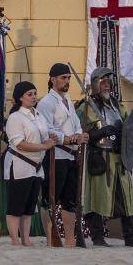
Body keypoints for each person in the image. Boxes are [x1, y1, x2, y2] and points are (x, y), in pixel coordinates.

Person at [77, 67, 133, 248]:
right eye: (103, 82)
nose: (106, 86)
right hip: (99, 157)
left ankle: (130, 237)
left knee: (128, 197)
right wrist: (100, 132)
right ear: (95, 84)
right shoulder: (85, 106)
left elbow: (129, 124)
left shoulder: (116, 105)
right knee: (96, 198)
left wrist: (124, 127)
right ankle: (98, 237)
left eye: (108, 82)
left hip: (119, 157)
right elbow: (80, 132)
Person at [36, 63, 87, 248]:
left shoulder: (67, 100)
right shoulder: (46, 103)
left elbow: (75, 123)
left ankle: (70, 239)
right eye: (63, 77)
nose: (67, 81)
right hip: (55, 156)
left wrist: (80, 135)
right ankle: (51, 237)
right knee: (50, 200)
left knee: (70, 201)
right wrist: (67, 139)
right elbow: (46, 130)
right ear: (53, 79)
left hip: (72, 156)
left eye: (68, 78)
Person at [4, 81, 56, 247]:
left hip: (37, 166)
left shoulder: (38, 115)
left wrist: (49, 141)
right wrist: (43, 146)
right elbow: (19, 143)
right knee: (16, 205)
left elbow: (42, 136)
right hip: (20, 164)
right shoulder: (15, 117)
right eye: (29, 94)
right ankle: (15, 240)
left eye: (34, 93)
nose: (34, 97)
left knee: (29, 206)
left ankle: (26, 239)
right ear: (20, 97)